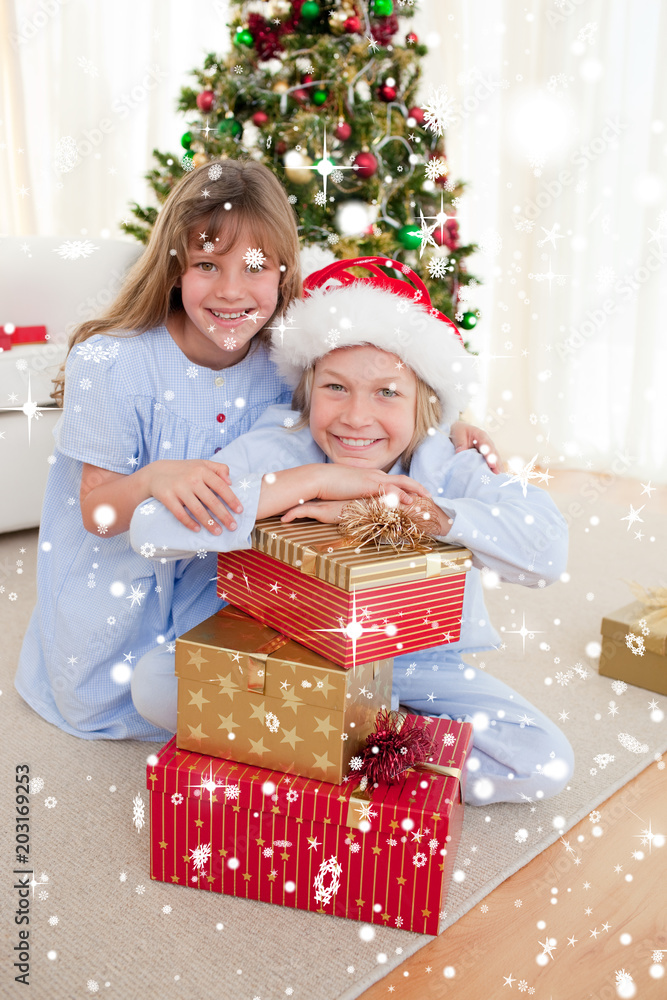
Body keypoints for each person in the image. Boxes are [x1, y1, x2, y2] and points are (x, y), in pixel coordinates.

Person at [15, 163, 495, 743]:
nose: (231, 291)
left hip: (229, 588)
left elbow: (381, 377)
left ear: (283, 271)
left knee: (303, 695)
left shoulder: (286, 357)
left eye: (254, 268)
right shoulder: (113, 364)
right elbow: (99, 516)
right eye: (206, 266)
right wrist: (152, 480)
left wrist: (456, 419)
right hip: (120, 605)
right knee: (168, 703)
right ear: (174, 268)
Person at [130, 256, 574, 806]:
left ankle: (325, 745)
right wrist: (314, 480)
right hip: (289, 655)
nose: (356, 418)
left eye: (387, 393)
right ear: (310, 390)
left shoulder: (444, 458)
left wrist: (412, 513)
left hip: (412, 666)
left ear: (424, 403)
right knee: (154, 680)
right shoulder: (283, 445)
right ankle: (362, 750)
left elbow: (548, 548)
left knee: (544, 760)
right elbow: (150, 528)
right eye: (336, 388)